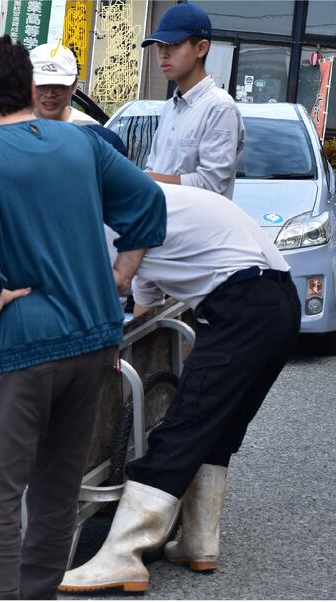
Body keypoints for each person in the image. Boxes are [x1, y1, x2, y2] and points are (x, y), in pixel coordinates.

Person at [0, 36, 167, 599]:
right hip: (93, 337)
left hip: (18, 346)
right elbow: (149, 204)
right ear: (26, 87)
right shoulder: (81, 142)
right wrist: (119, 276)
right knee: (57, 491)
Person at [59, 183, 300, 593]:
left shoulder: (104, 217)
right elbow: (145, 297)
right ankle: (199, 542)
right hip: (279, 303)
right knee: (218, 428)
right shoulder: (155, 199)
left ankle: (123, 554)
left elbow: (102, 293)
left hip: (241, 303)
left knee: (183, 427)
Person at [142, 2, 245, 199]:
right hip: (162, 216)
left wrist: (147, 179)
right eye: (160, 45)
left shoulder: (220, 107)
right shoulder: (169, 108)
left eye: (173, 45)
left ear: (201, 48)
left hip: (200, 219)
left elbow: (211, 184)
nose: (163, 54)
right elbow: (153, 167)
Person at [30, 41, 128, 156]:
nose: (49, 94)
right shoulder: (13, 132)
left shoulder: (102, 139)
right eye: (42, 85)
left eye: (59, 86)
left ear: (74, 85)